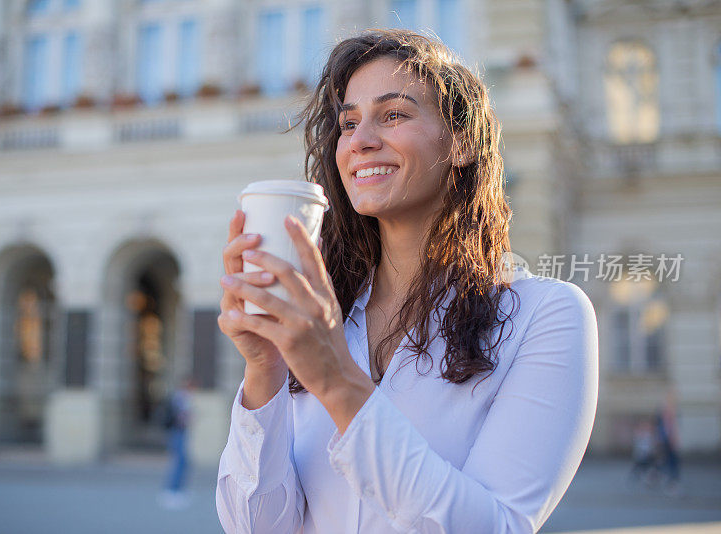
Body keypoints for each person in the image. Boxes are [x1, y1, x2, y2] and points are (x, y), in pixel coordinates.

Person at [216, 29, 599, 533]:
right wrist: (263, 370)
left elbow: (495, 527)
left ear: (461, 143)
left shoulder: (545, 315)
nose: (360, 140)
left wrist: (337, 381)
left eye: (393, 114)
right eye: (348, 122)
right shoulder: (324, 316)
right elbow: (257, 527)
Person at [159, 376, 194, 509]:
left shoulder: (179, 397)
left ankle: (177, 489)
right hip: (178, 432)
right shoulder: (181, 398)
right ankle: (172, 490)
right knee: (179, 461)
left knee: (182, 461)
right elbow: (181, 417)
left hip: (179, 432)